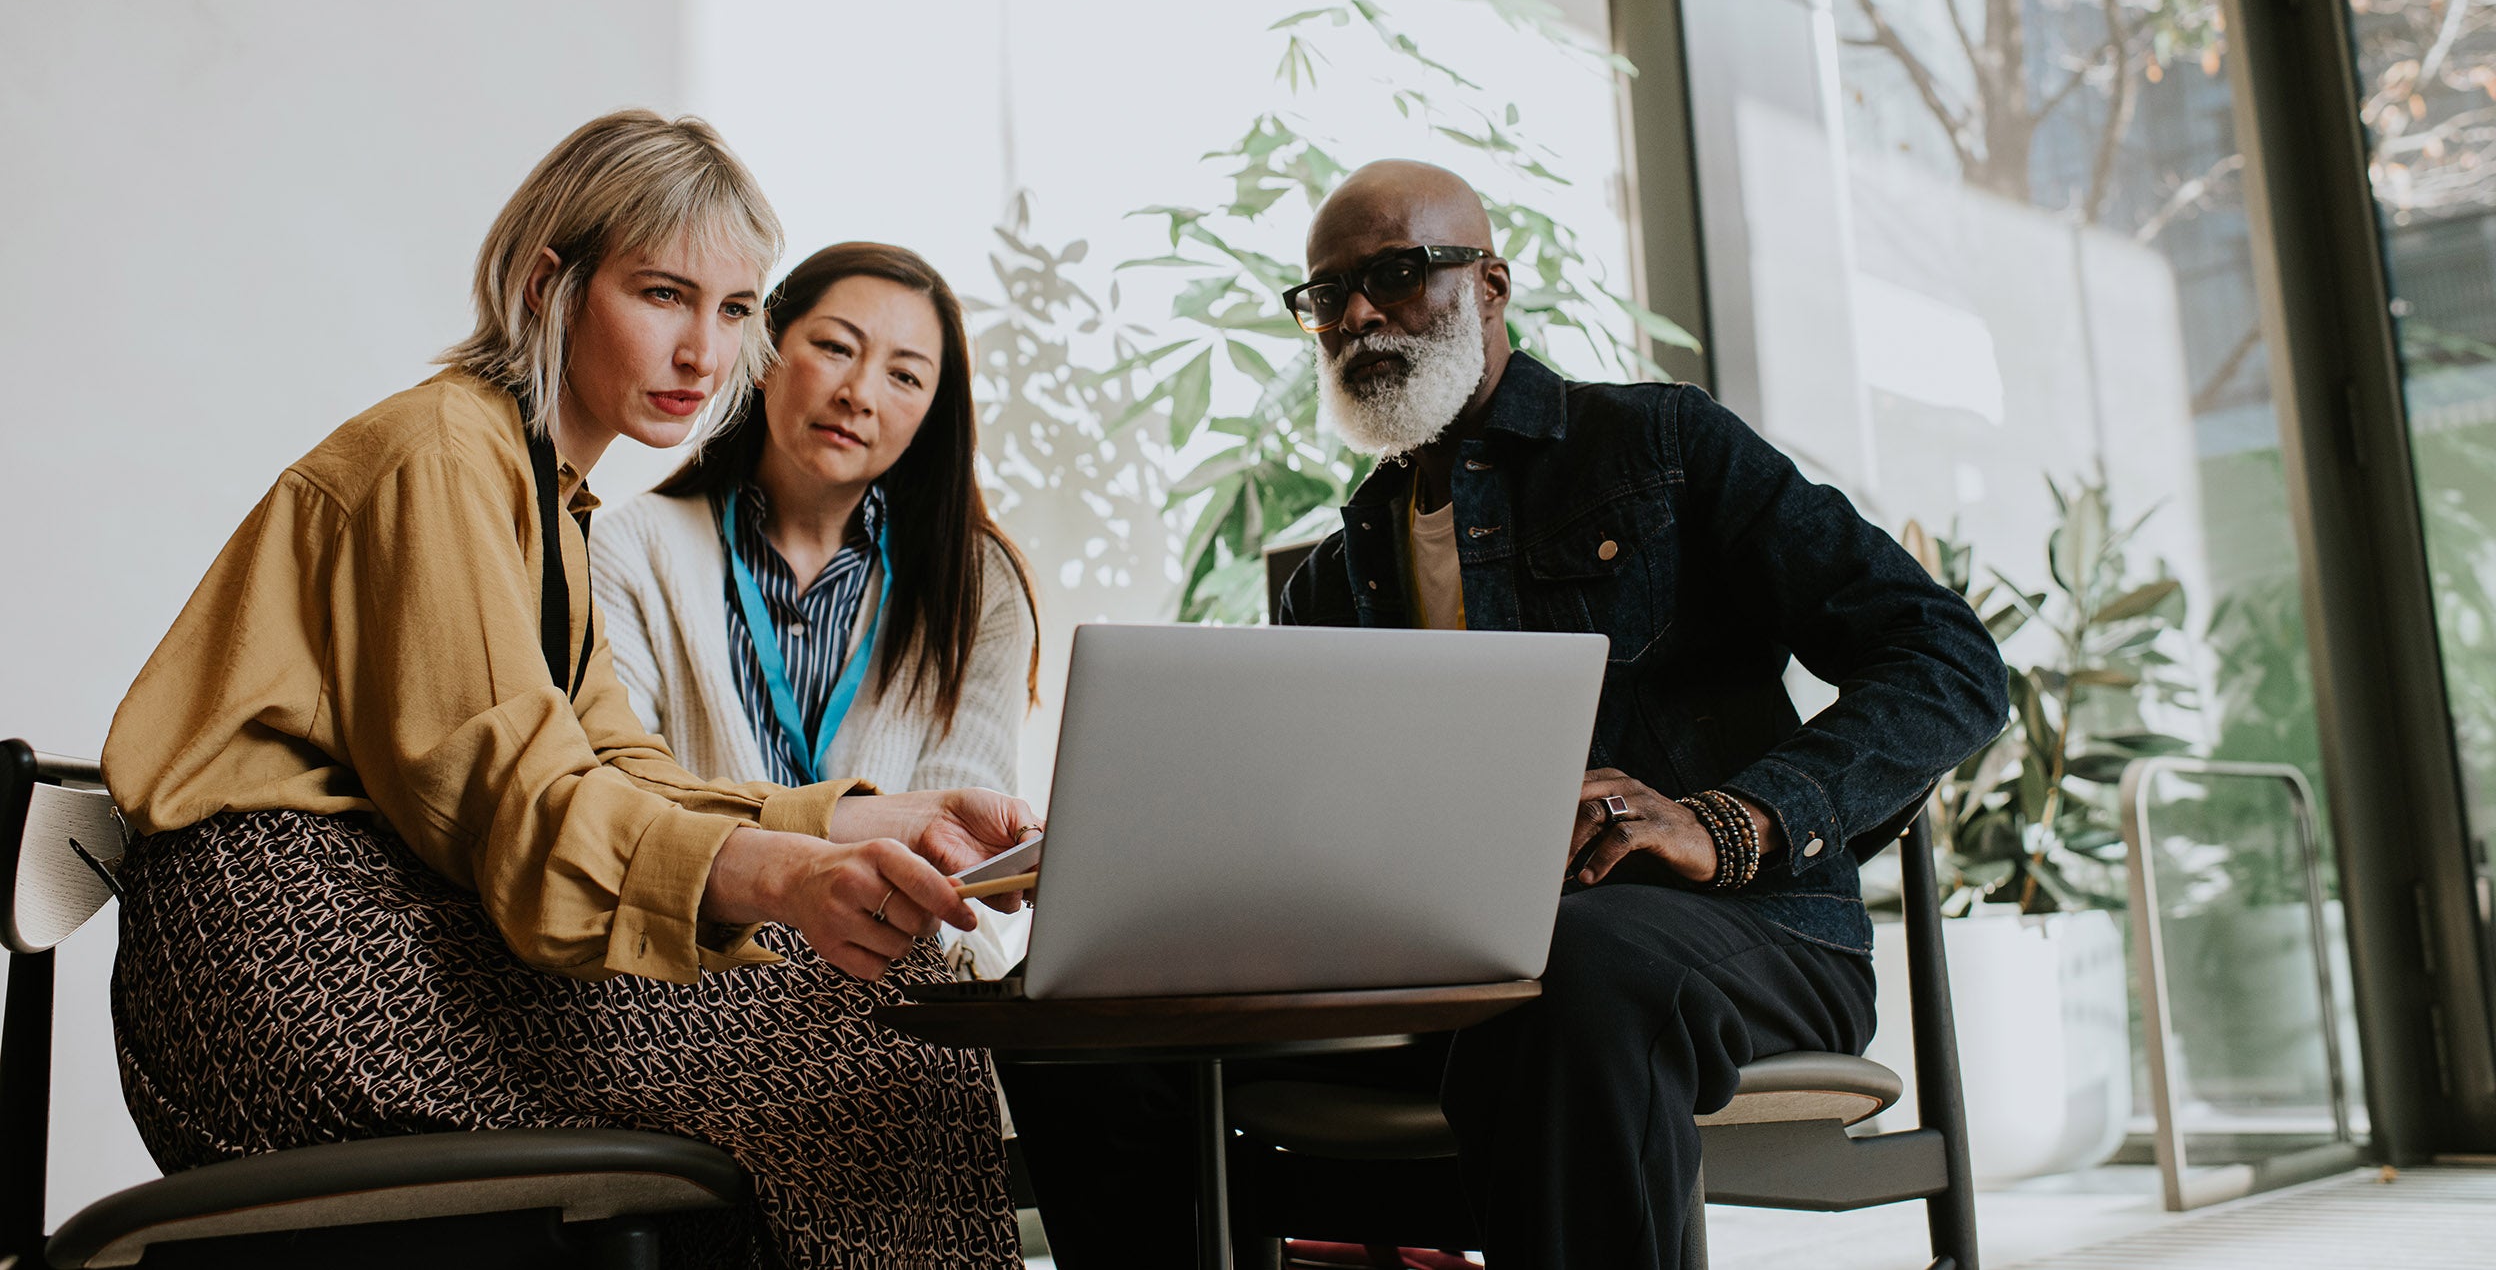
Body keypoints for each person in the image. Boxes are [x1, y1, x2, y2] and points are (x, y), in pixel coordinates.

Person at [1001, 160, 2010, 1269]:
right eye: (1326, 296)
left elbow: (1949, 661)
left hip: (1739, 944)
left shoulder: (1662, 448)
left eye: (1397, 272)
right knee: (1073, 1018)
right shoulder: (1331, 582)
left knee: (1570, 972)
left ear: (1491, 284)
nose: (1359, 314)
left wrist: (1730, 821)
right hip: (1447, 985)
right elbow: (1314, 834)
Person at [100, 111, 1035, 1270]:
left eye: (737, 310)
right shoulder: (442, 454)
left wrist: (877, 819)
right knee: (866, 1043)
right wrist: (791, 876)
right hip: (281, 961)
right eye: (662, 296)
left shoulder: (546, 496)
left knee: (857, 1020)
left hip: (377, 926)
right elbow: (526, 806)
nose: (704, 352)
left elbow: (622, 774)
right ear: (550, 285)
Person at [590, 240, 1040, 978]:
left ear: (931, 412)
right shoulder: (630, 550)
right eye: (835, 348)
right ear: (763, 353)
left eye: (904, 376)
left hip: (899, 977)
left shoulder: (978, 584)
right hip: (691, 972)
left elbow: (963, 860)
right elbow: (628, 803)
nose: (860, 393)